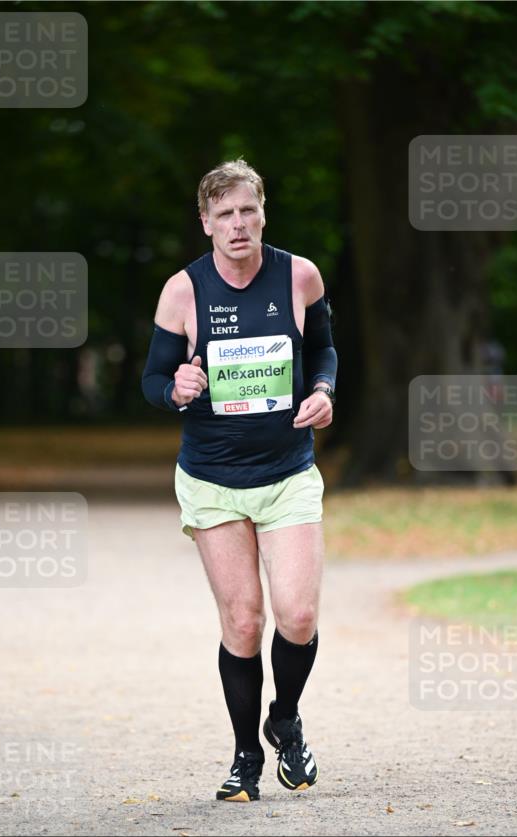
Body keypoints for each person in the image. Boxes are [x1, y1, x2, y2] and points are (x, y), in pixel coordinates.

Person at [141, 159, 337, 801]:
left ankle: (285, 717)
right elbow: (152, 380)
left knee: (299, 614)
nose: (237, 224)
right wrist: (177, 388)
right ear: (206, 223)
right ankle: (245, 753)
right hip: (213, 477)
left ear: (262, 213)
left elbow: (324, 350)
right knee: (244, 621)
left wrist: (324, 389)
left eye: (247, 210)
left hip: (287, 472)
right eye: (223, 214)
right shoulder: (183, 291)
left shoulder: (299, 275)